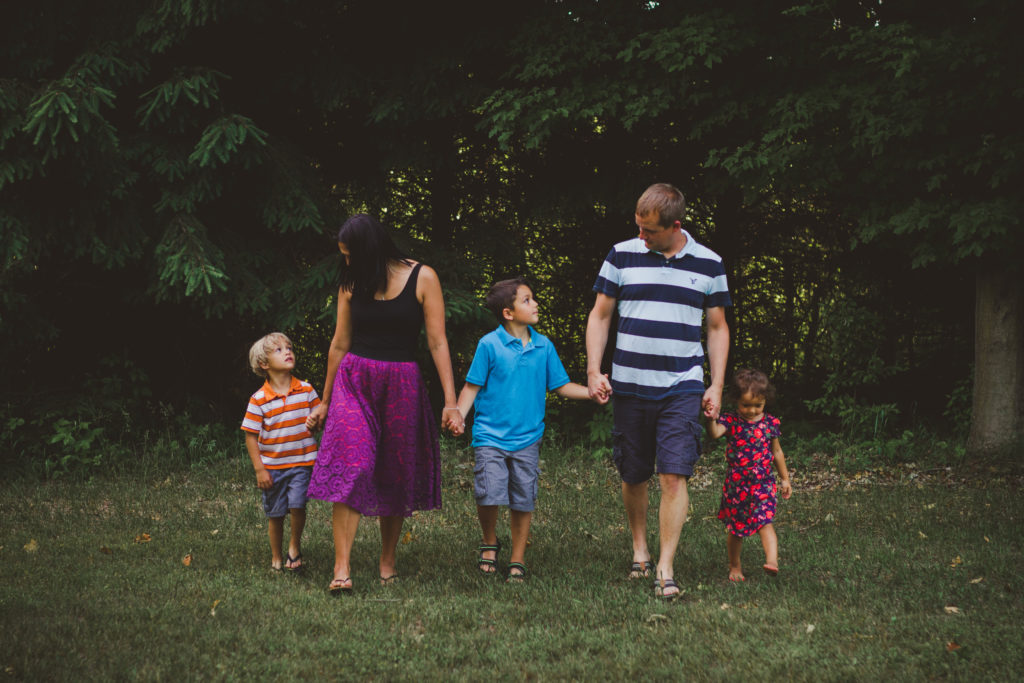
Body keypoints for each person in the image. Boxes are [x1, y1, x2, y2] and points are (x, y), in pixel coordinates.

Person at [586, 182, 731, 600]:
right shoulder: (621, 254)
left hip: (682, 385)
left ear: (676, 225)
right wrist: (595, 370)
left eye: (649, 230)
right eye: (638, 227)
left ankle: (665, 566)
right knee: (634, 474)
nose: (641, 237)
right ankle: (640, 549)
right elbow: (600, 316)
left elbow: (718, 327)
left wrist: (716, 384)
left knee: (674, 473)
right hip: (629, 384)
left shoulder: (709, 263)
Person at [305, 214, 462, 595]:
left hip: (402, 383)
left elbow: (438, 342)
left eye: (350, 255)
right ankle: (341, 567)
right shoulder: (350, 281)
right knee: (352, 463)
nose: (346, 263)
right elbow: (340, 344)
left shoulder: (423, 277)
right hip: (354, 380)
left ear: (370, 251)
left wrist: (451, 402)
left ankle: (387, 561)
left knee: (395, 470)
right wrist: (325, 400)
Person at [446, 278, 604, 582]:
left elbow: (561, 385)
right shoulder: (489, 345)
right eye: (527, 300)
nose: (535, 305)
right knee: (489, 493)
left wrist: (591, 393)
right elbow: (471, 387)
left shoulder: (544, 346)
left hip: (528, 438)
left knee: (523, 498)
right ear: (508, 312)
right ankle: (490, 541)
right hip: (490, 435)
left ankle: (517, 556)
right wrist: (460, 417)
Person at [240, 332, 321, 572]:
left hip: (301, 463)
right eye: (279, 350)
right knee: (275, 514)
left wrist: (315, 423)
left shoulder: (306, 390)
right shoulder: (259, 400)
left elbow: (320, 419)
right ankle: (276, 556)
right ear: (264, 365)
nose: (288, 351)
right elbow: (251, 437)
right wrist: (259, 470)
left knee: (298, 506)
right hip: (273, 468)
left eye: (289, 347)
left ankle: (294, 547)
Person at [706, 368, 792, 581]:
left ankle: (772, 560)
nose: (752, 410)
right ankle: (735, 566)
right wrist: (710, 418)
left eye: (758, 405)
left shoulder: (770, 424)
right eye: (746, 405)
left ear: (765, 401)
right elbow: (715, 433)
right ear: (736, 400)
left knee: (765, 522)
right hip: (737, 488)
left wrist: (785, 478)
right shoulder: (732, 422)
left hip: (763, 484)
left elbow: (777, 452)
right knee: (736, 530)